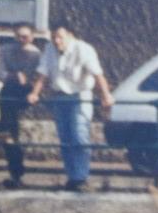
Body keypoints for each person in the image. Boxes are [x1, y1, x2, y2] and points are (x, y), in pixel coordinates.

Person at [26, 21, 115, 193]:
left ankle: (81, 177)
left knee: (80, 136)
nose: (57, 41)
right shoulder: (50, 49)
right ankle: (72, 177)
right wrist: (35, 93)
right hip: (60, 97)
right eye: (54, 37)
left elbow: (98, 74)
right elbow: (43, 73)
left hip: (80, 95)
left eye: (60, 37)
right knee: (65, 139)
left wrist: (105, 96)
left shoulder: (84, 49)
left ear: (70, 36)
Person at [0, 24, 40, 190]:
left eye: (26, 37)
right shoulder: (4, 50)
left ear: (32, 37)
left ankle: (18, 168)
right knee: (8, 133)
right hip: (8, 91)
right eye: (19, 36)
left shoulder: (36, 54)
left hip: (26, 93)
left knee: (16, 131)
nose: (22, 40)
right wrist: (14, 76)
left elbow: (40, 76)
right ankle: (15, 171)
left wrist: (30, 83)